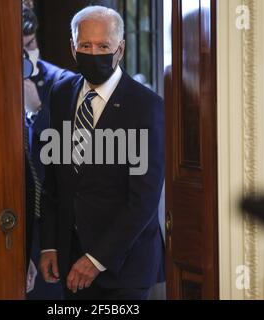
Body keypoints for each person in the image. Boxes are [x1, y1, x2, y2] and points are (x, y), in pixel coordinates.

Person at [39, 6, 165, 300]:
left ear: (119, 49)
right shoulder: (60, 94)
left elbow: (143, 199)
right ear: (73, 48)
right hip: (70, 260)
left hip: (125, 268)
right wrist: (49, 245)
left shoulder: (145, 106)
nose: (93, 53)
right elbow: (53, 181)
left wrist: (95, 259)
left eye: (103, 46)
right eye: (85, 45)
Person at [22, 6, 74, 299]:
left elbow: (69, 148)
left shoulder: (61, 82)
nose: (26, 55)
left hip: (48, 218)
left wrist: (37, 111)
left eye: (30, 46)